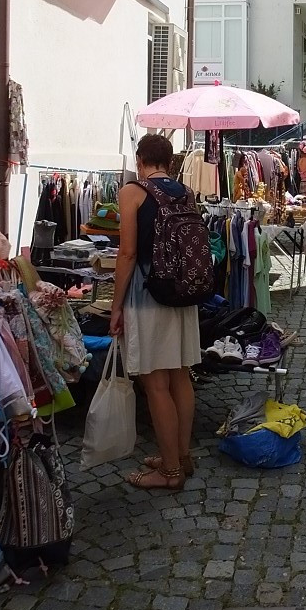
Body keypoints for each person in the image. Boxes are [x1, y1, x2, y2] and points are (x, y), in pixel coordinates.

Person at [110, 135, 201, 490]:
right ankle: (180, 455)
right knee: (180, 375)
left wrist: (116, 306)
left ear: (140, 158)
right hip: (183, 294)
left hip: (149, 295)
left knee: (155, 383)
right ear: (170, 161)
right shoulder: (185, 192)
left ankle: (170, 474)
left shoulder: (132, 192)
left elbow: (128, 254)